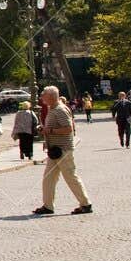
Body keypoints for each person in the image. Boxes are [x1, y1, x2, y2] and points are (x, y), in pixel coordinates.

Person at [33, 85, 92, 216]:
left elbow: (68, 128)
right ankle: (48, 206)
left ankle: (86, 204)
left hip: (63, 150)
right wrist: (46, 135)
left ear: (51, 97)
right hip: (55, 150)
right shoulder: (52, 108)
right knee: (48, 179)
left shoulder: (60, 109)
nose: (41, 96)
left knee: (71, 177)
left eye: (43, 94)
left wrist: (50, 131)